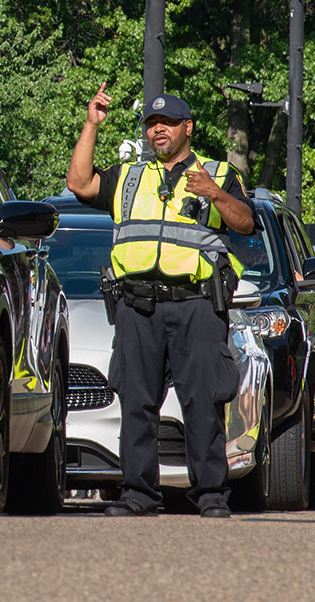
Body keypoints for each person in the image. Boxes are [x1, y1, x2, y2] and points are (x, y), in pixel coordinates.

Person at [66, 82, 255, 519]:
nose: (158, 131)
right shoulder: (131, 176)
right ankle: (138, 494)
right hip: (137, 305)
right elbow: (79, 182)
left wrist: (216, 194)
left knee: (203, 402)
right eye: (152, 124)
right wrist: (91, 124)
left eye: (168, 123)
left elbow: (245, 223)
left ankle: (210, 495)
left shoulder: (219, 173)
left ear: (187, 127)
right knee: (136, 401)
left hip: (196, 304)